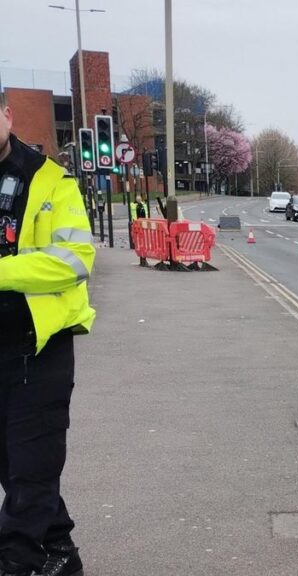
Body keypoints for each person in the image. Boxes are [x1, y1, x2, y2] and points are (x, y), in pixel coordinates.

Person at [0, 94, 94, 576]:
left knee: (32, 469)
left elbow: (75, 260)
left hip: (37, 348)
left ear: (7, 115)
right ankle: (60, 554)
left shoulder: (52, 180)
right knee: (13, 469)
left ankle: (16, 562)